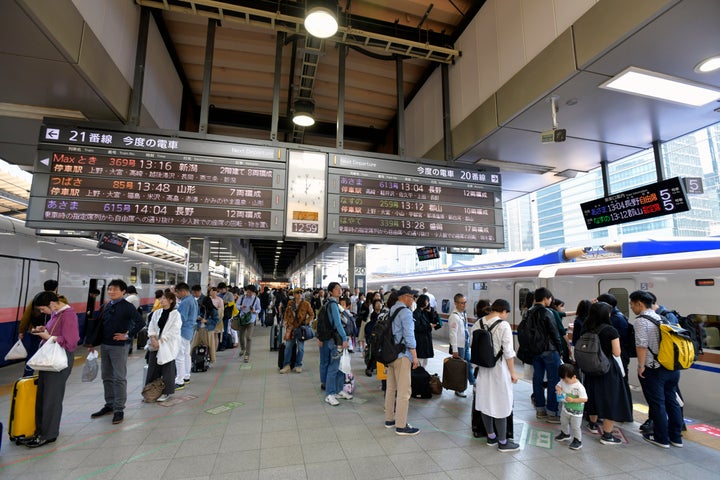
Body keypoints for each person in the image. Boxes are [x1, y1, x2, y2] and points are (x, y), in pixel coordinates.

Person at [20, 292, 79, 448]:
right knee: (43, 396)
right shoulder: (56, 314)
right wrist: (42, 331)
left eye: (42, 309)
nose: (41, 312)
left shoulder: (68, 315)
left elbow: (71, 342)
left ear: (52, 304)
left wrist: (49, 337)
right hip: (49, 360)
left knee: (52, 398)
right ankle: (40, 431)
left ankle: (49, 434)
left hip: (59, 359)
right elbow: (53, 333)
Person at [630, 290, 684, 448]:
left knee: (657, 404)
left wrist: (640, 366)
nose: (632, 308)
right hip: (671, 368)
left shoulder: (641, 320)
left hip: (654, 369)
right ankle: (676, 438)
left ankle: (661, 438)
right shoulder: (662, 317)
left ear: (640, 303)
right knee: (672, 402)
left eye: (632, 304)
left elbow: (641, 345)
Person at [86, 279, 141, 425]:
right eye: (110, 289)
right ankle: (109, 404)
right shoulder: (106, 305)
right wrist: (93, 343)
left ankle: (119, 409)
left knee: (119, 378)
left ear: (123, 291)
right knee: (107, 376)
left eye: (115, 289)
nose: (111, 291)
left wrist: (127, 335)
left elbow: (140, 322)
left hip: (119, 346)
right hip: (105, 345)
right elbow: (100, 325)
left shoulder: (127, 307)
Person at [470, 299, 519, 451]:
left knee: (485, 403)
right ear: (503, 311)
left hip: (483, 370)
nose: (506, 317)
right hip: (499, 370)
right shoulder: (503, 325)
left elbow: (473, 346)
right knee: (501, 405)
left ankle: (491, 437)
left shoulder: (478, 323)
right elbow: (508, 352)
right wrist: (513, 373)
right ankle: (503, 442)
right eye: (507, 314)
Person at [581, 301, 632, 444]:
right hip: (607, 369)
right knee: (611, 400)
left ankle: (592, 424)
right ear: (606, 314)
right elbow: (617, 352)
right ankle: (607, 435)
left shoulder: (586, 328)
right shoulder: (611, 330)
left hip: (590, 368)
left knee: (592, 395)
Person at [383, 285, 420, 435]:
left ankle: (389, 419)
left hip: (390, 355)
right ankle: (401, 425)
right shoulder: (405, 312)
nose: (412, 300)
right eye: (411, 297)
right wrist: (415, 356)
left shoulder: (393, 309)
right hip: (402, 355)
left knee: (391, 388)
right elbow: (409, 337)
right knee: (404, 391)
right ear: (405, 297)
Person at [526, 287, 563, 423]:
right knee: (554, 380)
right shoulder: (547, 312)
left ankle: (540, 410)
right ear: (546, 298)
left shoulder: (528, 312)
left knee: (538, 379)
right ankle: (552, 412)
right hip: (550, 350)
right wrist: (560, 350)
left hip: (535, 352)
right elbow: (554, 333)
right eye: (550, 298)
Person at [18, 279, 67, 377]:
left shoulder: (36, 299)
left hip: (36, 331)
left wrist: (21, 331)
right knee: (51, 353)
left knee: (33, 353)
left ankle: (28, 374)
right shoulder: (61, 300)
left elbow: (26, 316)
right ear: (56, 288)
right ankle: (48, 373)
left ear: (44, 288)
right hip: (52, 333)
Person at [318, 282, 352, 406]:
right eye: (337, 289)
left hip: (332, 338)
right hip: (335, 340)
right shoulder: (333, 305)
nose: (340, 290)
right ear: (331, 291)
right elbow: (337, 323)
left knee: (338, 366)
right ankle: (330, 394)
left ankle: (338, 390)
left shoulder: (331, 304)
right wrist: (344, 338)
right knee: (334, 366)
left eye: (340, 288)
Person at [145, 291, 181, 402]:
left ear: (171, 300)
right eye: (161, 299)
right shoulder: (157, 312)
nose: (161, 301)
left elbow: (174, 330)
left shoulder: (176, 314)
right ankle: (150, 391)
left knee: (167, 369)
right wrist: (153, 338)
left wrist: (160, 341)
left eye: (164, 299)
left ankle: (166, 392)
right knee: (152, 368)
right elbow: (151, 326)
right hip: (155, 344)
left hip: (168, 345)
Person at [280, 288, 315, 373]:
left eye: (300, 293)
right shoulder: (290, 303)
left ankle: (298, 365)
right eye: (297, 293)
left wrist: (306, 322)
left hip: (300, 329)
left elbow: (311, 314)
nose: (299, 295)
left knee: (301, 348)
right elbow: (286, 313)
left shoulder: (306, 304)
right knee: (288, 347)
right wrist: (285, 321)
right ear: (294, 295)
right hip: (291, 328)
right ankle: (286, 365)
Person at [554, 363, 588, 451]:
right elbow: (557, 385)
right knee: (563, 421)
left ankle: (578, 440)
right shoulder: (563, 381)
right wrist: (559, 389)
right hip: (565, 408)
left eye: (566, 380)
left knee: (575, 426)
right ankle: (565, 433)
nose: (564, 382)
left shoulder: (579, 387)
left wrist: (573, 400)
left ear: (574, 377)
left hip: (576, 412)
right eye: (563, 379)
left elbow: (584, 399)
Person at [448, 293, 475, 397]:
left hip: (465, 344)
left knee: (468, 364)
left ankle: (474, 383)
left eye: (465, 303)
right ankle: (459, 388)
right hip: (459, 346)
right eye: (461, 303)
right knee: (460, 369)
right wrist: (455, 350)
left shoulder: (463, 314)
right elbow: (452, 334)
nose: (464, 305)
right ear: (456, 303)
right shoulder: (454, 317)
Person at [174, 282, 197, 390]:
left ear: (182, 291)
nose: (177, 296)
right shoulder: (193, 299)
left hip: (182, 331)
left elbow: (180, 319)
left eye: (177, 293)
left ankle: (179, 381)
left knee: (179, 356)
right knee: (187, 354)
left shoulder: (185, 302)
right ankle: (187, 376)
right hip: (189, 331)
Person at [413, 294, 441, 367]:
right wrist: (429, 326)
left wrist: (431, 312)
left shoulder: (425, 312)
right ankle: (419, 377)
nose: (428, 303)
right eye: (427, 301)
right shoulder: (416, 313)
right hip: (420, 341)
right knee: (420, 362)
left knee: (425, 362)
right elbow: (417, 327)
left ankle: (422, 376)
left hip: (426, 340)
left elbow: (433, 321)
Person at [237, 284, 260, 362]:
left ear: (253, 292)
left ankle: (247, 354)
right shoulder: (242, 297)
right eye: (247, 291)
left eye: (250, 292)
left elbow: (259, 309)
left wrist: (254, 311)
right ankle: (243, 348)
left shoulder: (256, 299)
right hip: (242, 319)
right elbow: (236, 305)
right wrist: (240, 307)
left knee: (249, 337)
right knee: (240, 336)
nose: (248, 293)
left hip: (251, 320)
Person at [550, 298, 572, 363]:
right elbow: (562, 331)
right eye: (561, 306)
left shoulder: (549, 312)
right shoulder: (555, 313)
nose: (563, 308)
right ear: (555, 306)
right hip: (560, 341)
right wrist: (568, 344)